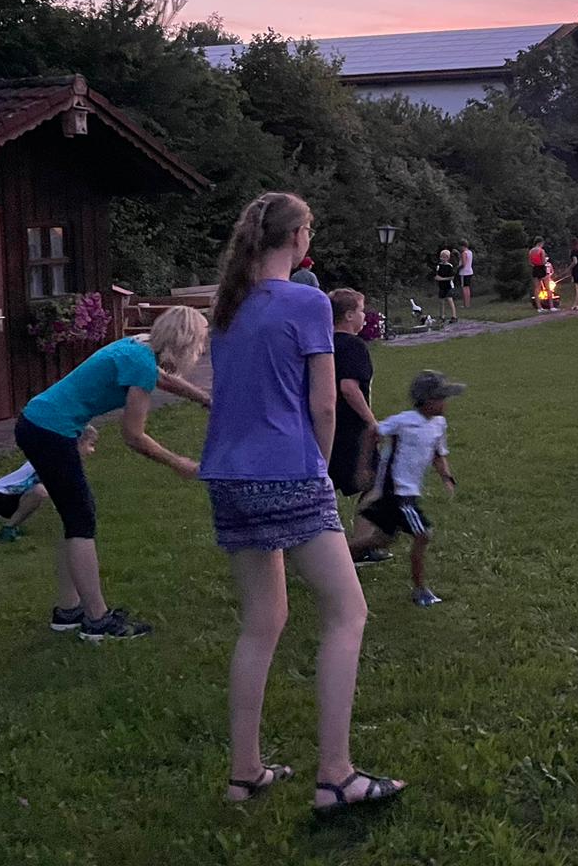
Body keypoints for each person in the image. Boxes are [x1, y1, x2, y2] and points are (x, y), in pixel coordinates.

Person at [199, 191, 404, 812]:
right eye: (309, 229)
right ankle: (336, 776)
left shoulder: (227, 308)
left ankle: (244, 773)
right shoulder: (308, 301)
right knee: (348, 613)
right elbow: (323, 404)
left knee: (263, 620)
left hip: (227, 478)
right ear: (297, 238)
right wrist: (318, 468)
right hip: (288, 471)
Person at [13, 305, 209, 641]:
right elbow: (133, 436)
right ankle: (96, 621)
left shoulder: (139, 347)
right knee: (81, 520)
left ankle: (69, 611)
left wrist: (203, 398)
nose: (203, 349)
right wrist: (179, 463)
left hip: (39, 423)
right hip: (50, 431)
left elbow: (160, 377)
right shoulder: (141, 362)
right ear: (186, 341)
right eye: (202, 341)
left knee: (74, 518)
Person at [348, 370, 461, 607]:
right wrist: (364, 467)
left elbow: (438, 454)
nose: (445, 403)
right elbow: (373, 431)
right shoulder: (405, 421)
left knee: (381, 540)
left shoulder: (439, 424)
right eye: (441, 398)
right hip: (397, 491)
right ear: (427, 401)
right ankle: (420, 590)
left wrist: (447, 477)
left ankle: (336, 560)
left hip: (408, 491)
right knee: (422, 534)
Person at [327, 289, 381, 514]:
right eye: (361, 310)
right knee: (377, 482)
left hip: (327, 425)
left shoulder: (326, 344)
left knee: (325, 484)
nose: (365, 316)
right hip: (351, 428)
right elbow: (349, 388)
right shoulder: (353, 345)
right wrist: (371, 421)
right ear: (349, 315)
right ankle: (362, 543)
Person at [432, 249, 459, 323]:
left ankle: (454, 316)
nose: (443, 259)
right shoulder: (439, 266)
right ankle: (442, 316)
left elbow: (452, 277)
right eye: (442, 257)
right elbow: (436, 276)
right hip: (441, 286)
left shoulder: (450, 266)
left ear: (448, 258)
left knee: (450, 300)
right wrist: (439, 279)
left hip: (449, 286)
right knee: (441, 301)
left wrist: (442, 279)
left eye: (445, 257)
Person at [529, 238, 549, 308]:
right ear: (540, 243)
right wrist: (545, 262)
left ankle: (539, 307)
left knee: (537, 288)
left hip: (535, 268)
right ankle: (551, 306)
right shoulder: (541, 251)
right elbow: (543, 261)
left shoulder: (531, 251)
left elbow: (530, 262)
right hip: (541, 268)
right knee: (547, 287)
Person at [458, 240, 474, 309]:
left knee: (464, 288)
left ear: (462, 246)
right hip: (469, 271)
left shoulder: (464, 253)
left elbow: (463, 264)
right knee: (467, 288)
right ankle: (468, 304)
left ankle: (465, 305)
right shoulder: (470, 252)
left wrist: (458, 268)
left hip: (464, 272)